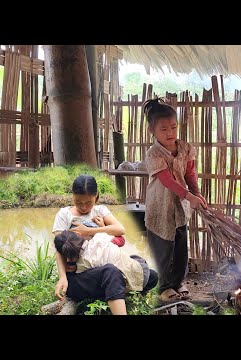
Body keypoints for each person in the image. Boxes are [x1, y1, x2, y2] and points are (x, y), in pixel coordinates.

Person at [52, 174, 148, 315]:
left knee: (151, 276)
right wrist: (62, 277)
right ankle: (113, 295)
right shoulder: (64, 215)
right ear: (72, 195)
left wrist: (91, 230)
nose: (84, 207)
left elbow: (120, 230)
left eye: (89, 202)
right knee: (110, 271)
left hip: (105, 268)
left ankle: (110, 292)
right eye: (78, 202)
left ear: (96, 196)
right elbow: (60, 249)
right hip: (81, 276)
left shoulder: (100, 210)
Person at [143, 98, 207, 302]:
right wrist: (189, 196)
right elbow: (168, 181)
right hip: (160, 206)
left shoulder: (185, 148)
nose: (170, 133)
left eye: (173, 127)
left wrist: (196, 192)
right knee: (163, 248)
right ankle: (163, 286)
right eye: (164, 129)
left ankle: (178, 282)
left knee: (180, 246)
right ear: (152, 130)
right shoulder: (153, 154)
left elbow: (190, 173)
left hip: (179, 206)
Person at [54, 230, 158, 295]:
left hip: (120, 283)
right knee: (152, 275)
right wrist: (99, 227)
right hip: (138, 270)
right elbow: (121, 240)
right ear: (79, 236)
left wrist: (72, 268)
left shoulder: (83, 265)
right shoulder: (100, 237)